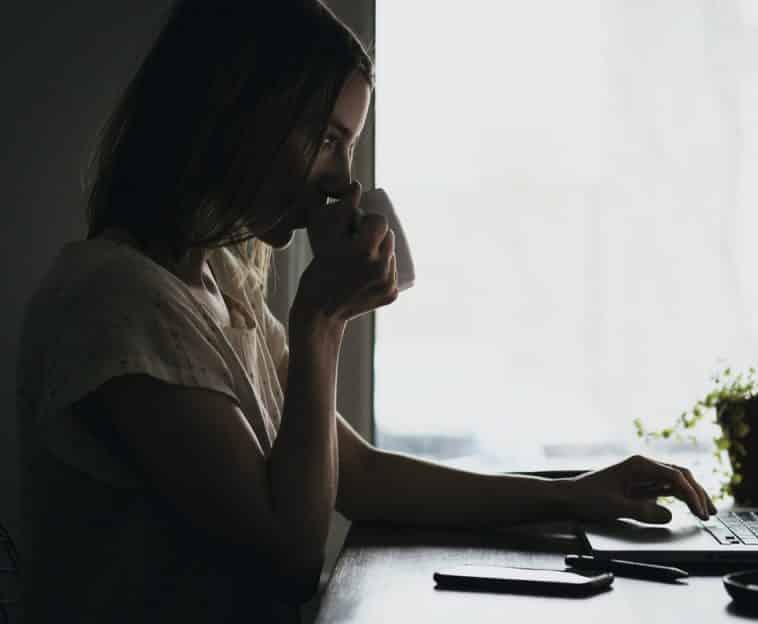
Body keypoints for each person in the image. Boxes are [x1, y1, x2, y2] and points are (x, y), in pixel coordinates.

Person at [15, 1, 715, 621]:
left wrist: (573, 494)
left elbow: (360, 474)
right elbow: (288, 557)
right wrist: (321, 323)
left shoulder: (219, 287)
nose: (343, 179)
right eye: (327, 137)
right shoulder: (118, 302)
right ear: (236, 112)